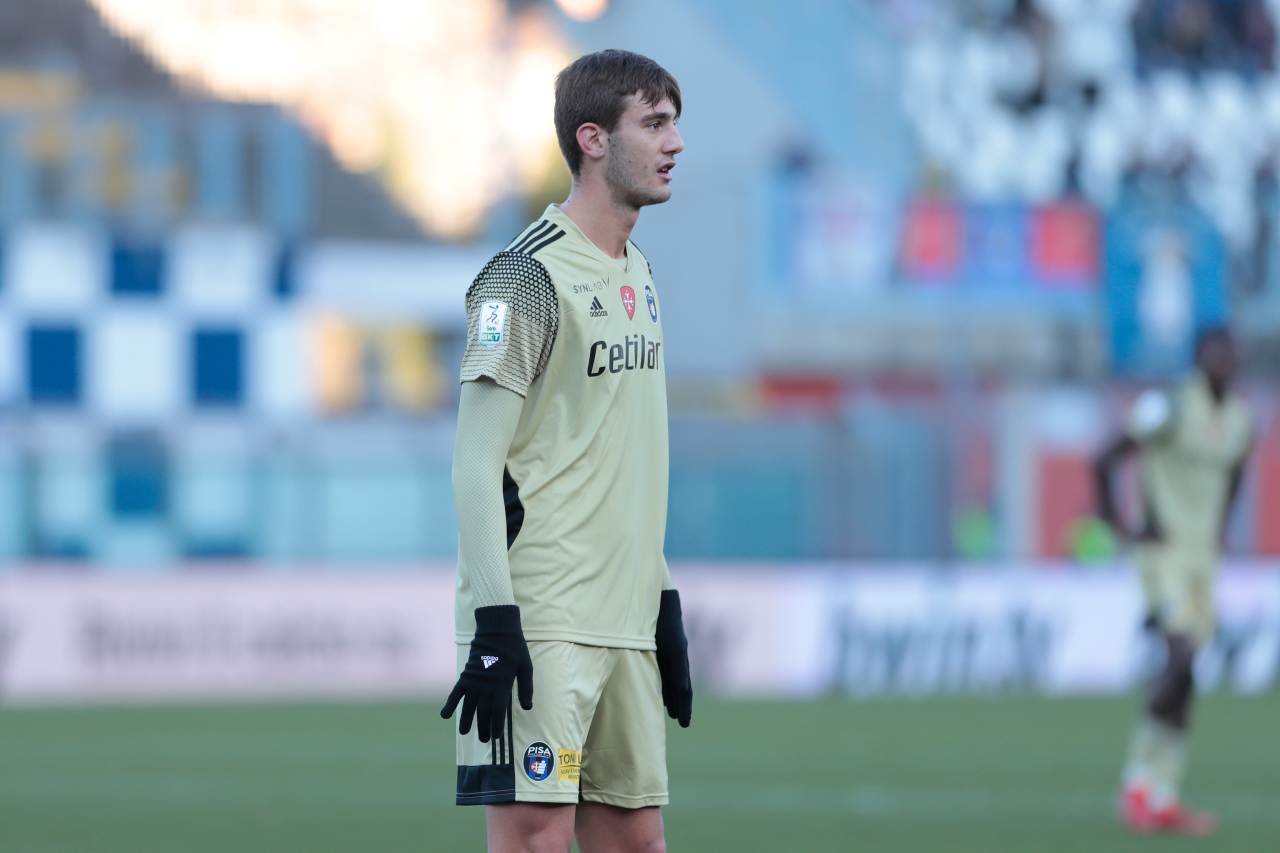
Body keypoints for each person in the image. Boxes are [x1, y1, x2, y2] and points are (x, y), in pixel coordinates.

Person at [441, 49, 691, 853]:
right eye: (654, 124)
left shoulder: (639, 273)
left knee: (636, 841)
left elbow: (621, 454)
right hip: (541, 619)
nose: (675, 142)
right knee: (536, 840)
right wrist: (494, 620)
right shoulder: (522, 278)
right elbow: (474, 464)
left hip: (625, 621)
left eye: (674, 124)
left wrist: (662, 601)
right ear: (593, 138)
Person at [1094, 325, 1253, 837]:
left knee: (1186, 676)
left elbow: (1236, 474)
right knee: (1180, 658)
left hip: (1202, 560)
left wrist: (1220, 528)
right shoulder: (1170, 406)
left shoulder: (1240, 421)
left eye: (1231, 353)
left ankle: (1161, 794)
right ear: (1198, 357)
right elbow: (1105, 455)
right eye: (1215, 353)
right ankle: (1137, 784)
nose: (1225, 361)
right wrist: (1118, 523)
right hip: (1162, 555)